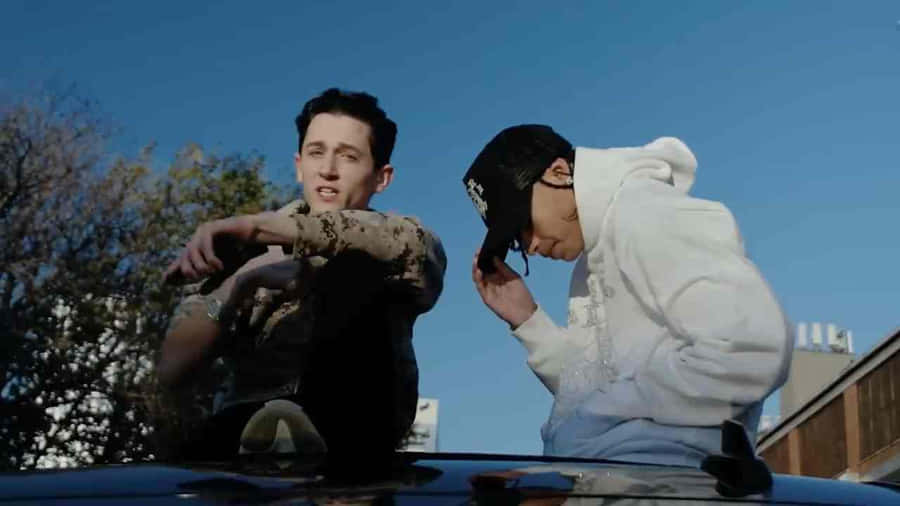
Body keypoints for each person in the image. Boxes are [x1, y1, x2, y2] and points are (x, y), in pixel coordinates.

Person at [463, 124, 792, 466]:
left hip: (669, 485)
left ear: (559, 172)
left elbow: (750, 348)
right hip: (633, 482)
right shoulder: (599, 254)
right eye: (516, 241)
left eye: (523, 222)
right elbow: (593, 394)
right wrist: (528, 321)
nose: (528, 245)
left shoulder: (645, 213)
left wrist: (613, 409)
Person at [158, 88, 446, 460]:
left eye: (348, 156)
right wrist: (243, 280)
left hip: (354, 437)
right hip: (243, 432)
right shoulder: (250, 255)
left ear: (381, 177)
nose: (327, 169)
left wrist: (256, 227)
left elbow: (397, 244)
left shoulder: (403, 237)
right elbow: (172, 370)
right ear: (298, 165)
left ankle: (317, 430)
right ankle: (272, 432)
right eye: (316, 152)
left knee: (353, 267)